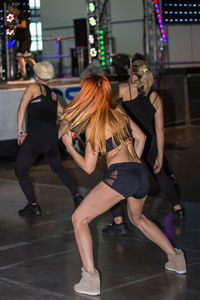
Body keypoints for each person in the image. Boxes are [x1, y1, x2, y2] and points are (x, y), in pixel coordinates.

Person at [60, 73, 187, 296]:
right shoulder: (117, 110)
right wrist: (133, 165)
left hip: (123, 175)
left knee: (79, 219)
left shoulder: (94, 123)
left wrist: (69, 146)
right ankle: (176, 258)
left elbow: (89, 167)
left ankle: (89, 279)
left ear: (87, 93)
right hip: (140, 173)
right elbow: (141, 138)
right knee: (138, 218)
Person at [103, 59, 185, 236]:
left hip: (129, 142)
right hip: (151, 142)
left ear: (132, 75)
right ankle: (177, 207)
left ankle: (118, 221)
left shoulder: (125, 89)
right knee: (161, 174)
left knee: (114, 178)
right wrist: (160, 156)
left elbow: (108, 105)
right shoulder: (156, 98)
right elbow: (160, 129)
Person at [15, 61, 83, 216]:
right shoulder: (53, 95)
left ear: (37, 76)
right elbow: (67, 118)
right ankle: (77, 197)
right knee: (58, 168)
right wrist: (59, 134)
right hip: (50, 140)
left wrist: (20, 132)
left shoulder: (33, 88)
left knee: (20, 170)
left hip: (35, 138)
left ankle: (33, 205)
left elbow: (21, 109)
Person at [8, 3, 36, 80]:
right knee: (21, 57)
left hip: (25, 40)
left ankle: (38, 71)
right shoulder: (16, 17)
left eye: (12, 11)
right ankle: (24, 75)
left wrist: (14, 26)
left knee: (25, 58)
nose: (11, 13)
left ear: (15, 9)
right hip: (21, 41)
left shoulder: (22, 15)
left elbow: (24, 25)